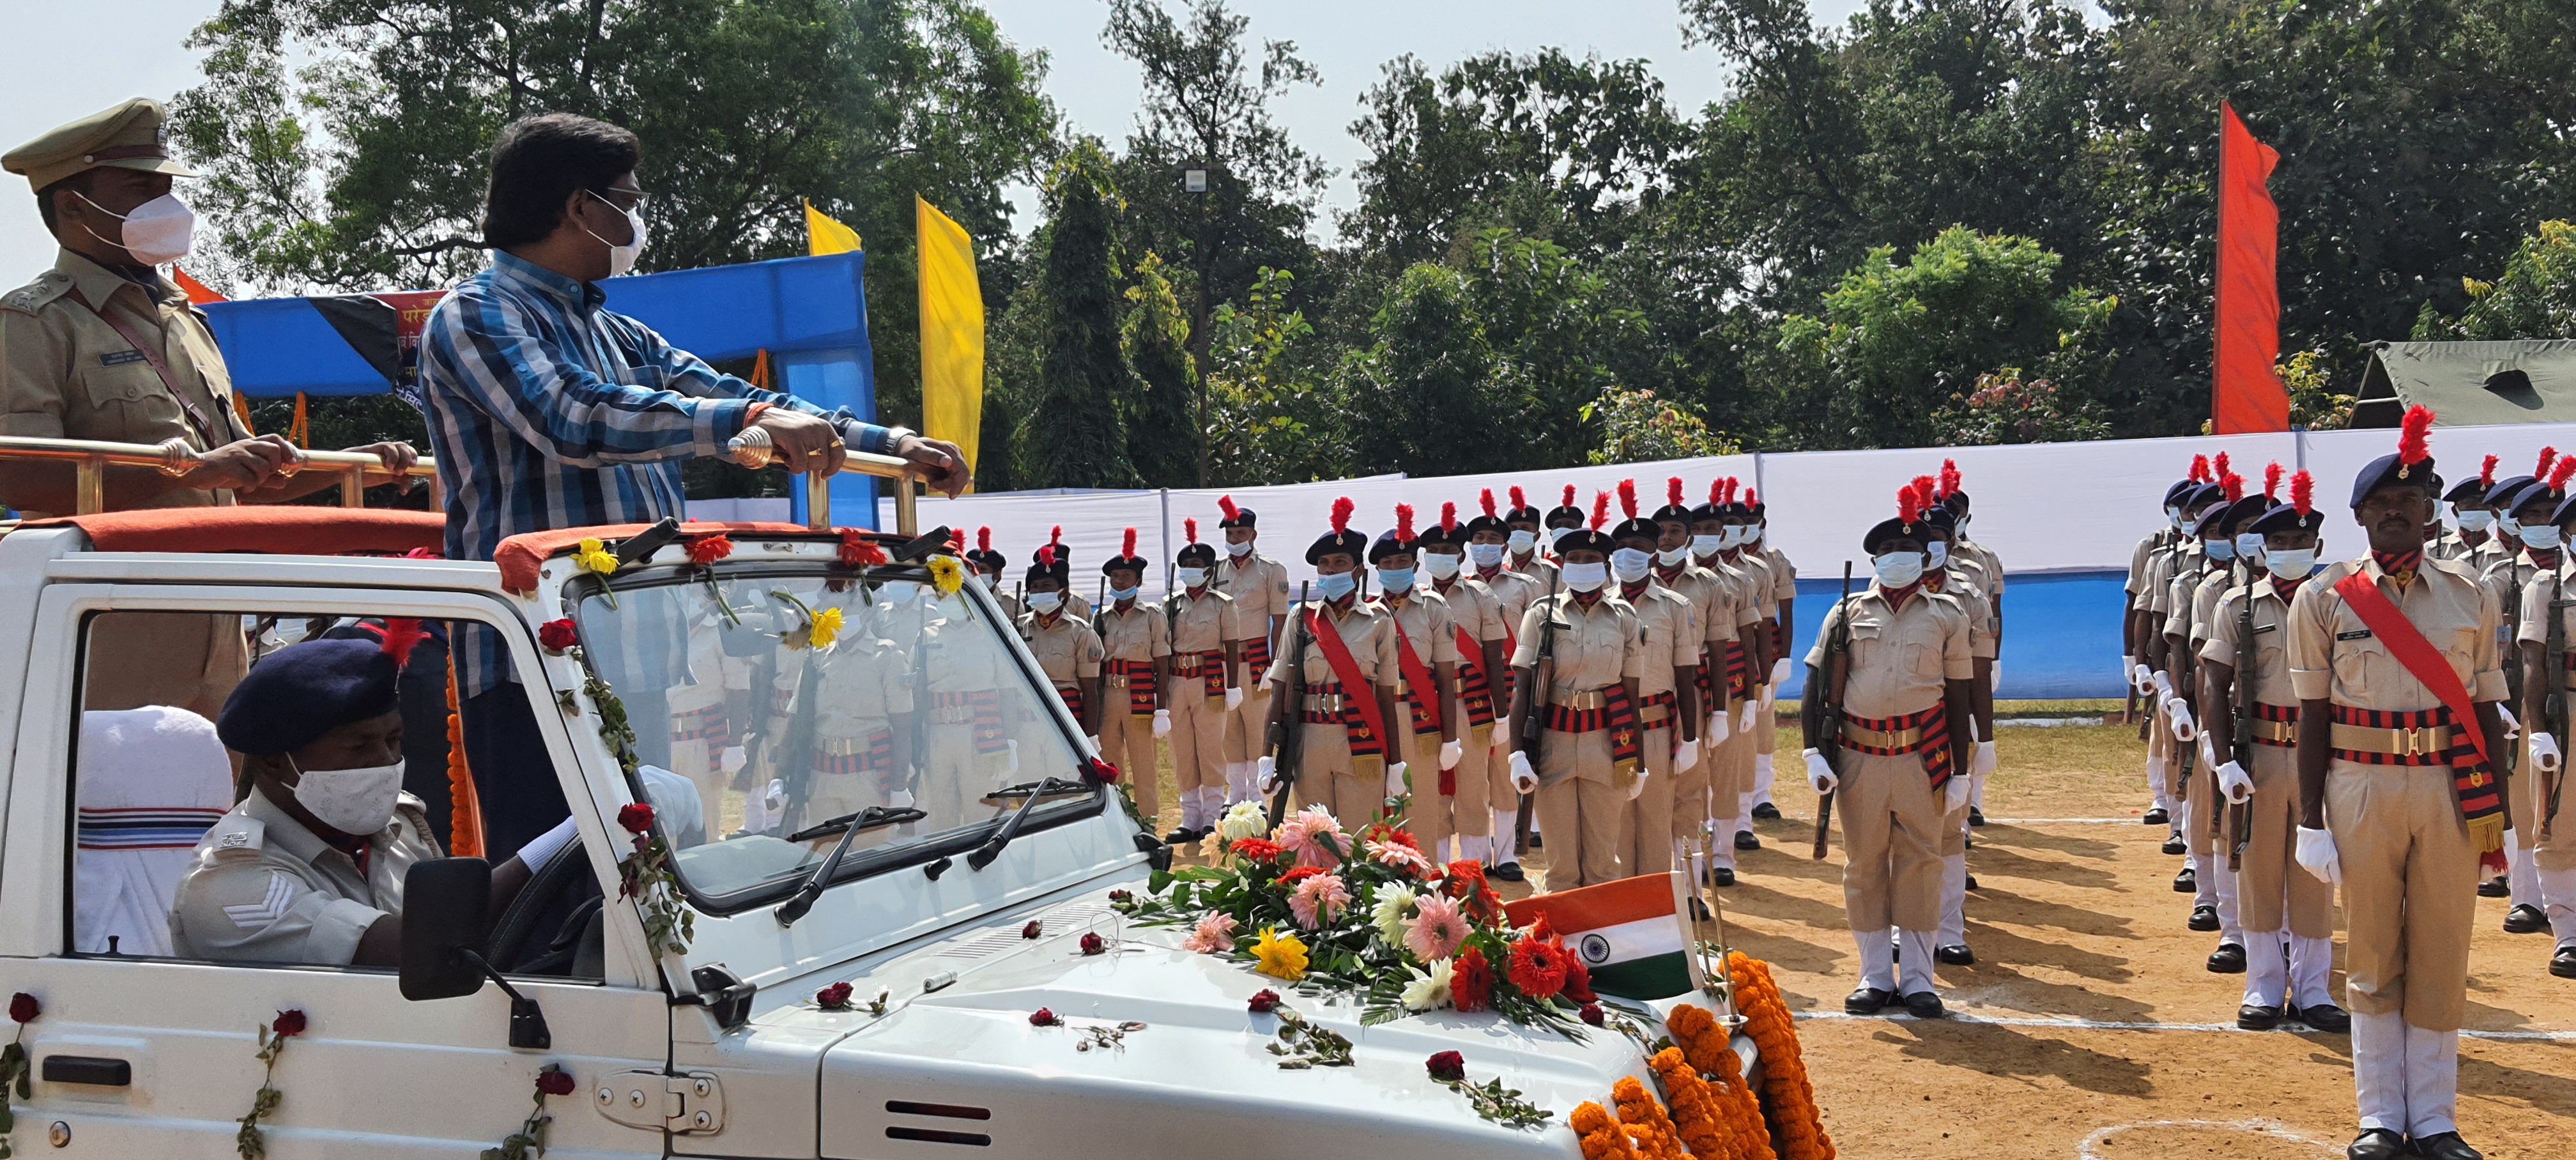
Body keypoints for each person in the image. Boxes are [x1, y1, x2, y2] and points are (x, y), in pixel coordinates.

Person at [418, 112, 967, 860]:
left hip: (635, 653)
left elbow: (739, 397)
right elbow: (573, 417)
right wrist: (749, 420)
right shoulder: (476, 315)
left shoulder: (620, 333)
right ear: (581, 207)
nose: (638, 219)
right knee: (560, 907)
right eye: (630, 200)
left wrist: (897, 444)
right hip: (533, 662)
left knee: (648, 892)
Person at [3, 98, 418, 722]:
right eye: (141, 188)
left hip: (218, 627)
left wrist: (344, 465)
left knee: (213, 814)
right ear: (72, 204)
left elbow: (239, 482)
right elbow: (20, 474)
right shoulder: (34, 321)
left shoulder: (186, 321)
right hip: (107, 630)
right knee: (108, 813)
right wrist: (189, 471)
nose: (165, 205)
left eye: (167, 188)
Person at [2287, 408, 2501, 1160]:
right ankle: (2380, 1117)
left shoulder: (2473, 594)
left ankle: (2436, 1120)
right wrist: (2311, 819)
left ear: (2428, 511)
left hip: (2448, 789)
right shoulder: (2324, 599)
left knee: (2443, 948)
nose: (2395, 514)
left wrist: (2495, 817)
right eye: (2381, 505)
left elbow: (2486, 711)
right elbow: (2313, 715)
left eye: (2409, 503)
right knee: (2374, 950)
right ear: (2359, 516)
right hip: (2360, 786)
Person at [171, 623, 575, 966]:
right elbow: (418, 947)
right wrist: (568, 839)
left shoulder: (398, 828)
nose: (386, 762)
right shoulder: (232, 883)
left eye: (394, 739)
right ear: (276, 762)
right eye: (359, 746)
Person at [1804, 481, 1975, 1021]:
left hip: (1924, 755)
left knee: (1922, 861)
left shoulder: (1948, 615)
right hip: (1859, 757)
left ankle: (1921, 978)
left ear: (1925, 559)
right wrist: (1813, 753)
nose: (1899, 561)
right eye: (1889, 553)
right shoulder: (1846, 613)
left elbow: (1960, 696)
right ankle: (1875, 975)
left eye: (1909, 553)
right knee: (1865, 864)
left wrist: (1963, 769)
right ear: (1875, 559)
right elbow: (1816, 690)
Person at [2200, 470, 2347, 1031]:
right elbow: (2212, 681)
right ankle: (2262, 985)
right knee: (2259, 871)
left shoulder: (2336, 603)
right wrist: (2224, 758)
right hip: (2260, 750)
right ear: (2262, 548)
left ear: (2319, 549)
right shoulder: (2238, 605)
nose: (2290, 552)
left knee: (2316, 872)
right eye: (2279, 543)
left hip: (2322, 755)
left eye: (2301, 543)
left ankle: (2313, 990)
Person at [1506, 493, 1645, 891]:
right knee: (1562, 865)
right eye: (1575, 560)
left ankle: (1604, 947)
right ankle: (1564, 951)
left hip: (1606, 745)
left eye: (1591, 560)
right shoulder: (1540, 614)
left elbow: (1630, 693)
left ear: (1606, 567)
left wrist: (1639, 759)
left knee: (1603, 862)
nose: (1583, 567)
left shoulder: (1625, 619)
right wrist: (1517, 753)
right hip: (1554, 745)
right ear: (1562, 565)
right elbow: (1523, 687)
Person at [1257, 498, 1404, 827]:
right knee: (1315, 840)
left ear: (1358, 570)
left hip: (1360, 740)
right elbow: (1278, 691)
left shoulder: (1379, 620)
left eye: (1340, 562)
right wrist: (1267, 755)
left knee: (1359, 837)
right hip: (1309, 740)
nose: (1331, 570)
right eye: (1324, 564)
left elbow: (1385, 698)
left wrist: (1396, 762)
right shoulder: (1301, 619)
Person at [2480, 459, 2571, 927]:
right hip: (2515, 696)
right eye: (2531, 517)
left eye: (2548, 516)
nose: (2541, 525)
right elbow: (2483, 642)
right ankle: (2526, 896)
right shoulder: (2502, 575)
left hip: (2557, 694)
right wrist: (2493, 697)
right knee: (2521, 798)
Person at [1609, 482, 1701, 883]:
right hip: (1605, 728)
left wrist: (1692, 739)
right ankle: (1616, 929)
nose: (1632, 553)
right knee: (1611, 830)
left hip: (1657, 728)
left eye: (1642, 546)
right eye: (1624, 545)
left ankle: (1653, 923)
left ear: (1654, 554)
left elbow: (1686, 677)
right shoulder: (1595, 608)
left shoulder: (1676, 608)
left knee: (1654, 828)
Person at [1919, 502, 1997, 966]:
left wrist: (1982, 739)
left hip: (1947, 730)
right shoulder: (1877, 593)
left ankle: (1949, 930)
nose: (1926, 547)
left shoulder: (1969, 595)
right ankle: (1900, 928)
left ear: (1950, 544)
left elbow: (1979, 674)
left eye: (1935, 539)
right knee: (1898, 838)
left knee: (1949, 835)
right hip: (1898, 731)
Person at [1368, 505, 1462, 850]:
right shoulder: (1366, 613)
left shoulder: (1435, 609)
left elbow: (1446, 677)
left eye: (1402, 563)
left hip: (1420, 717)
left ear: (1415, 566)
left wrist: (1450, 738)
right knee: (1378, 807)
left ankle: (1427, 884)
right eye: (1388, 564)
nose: (1395, 569)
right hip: (1377, 716)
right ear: (1377, 569)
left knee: (1424, 806)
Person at [1423, 503, 1510, 867]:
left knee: (1474, 787)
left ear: (1461, 555)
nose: (1442, 556)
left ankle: (1473, 867)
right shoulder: (1413, 601)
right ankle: (1439, 867)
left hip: (1473, 705)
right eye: (1435, 551)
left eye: (1448, 551)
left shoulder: (1482, 596)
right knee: (1433, 790)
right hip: (1427, 706)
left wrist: (1502, 716)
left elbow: (1495, 659)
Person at [1464, 490, 1544, 881]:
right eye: (1478, 540)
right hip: (1472, 693)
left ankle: (1509, 853)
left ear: (1505, 544)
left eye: (1493, 540)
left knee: (1507, 774)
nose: (1486, 546)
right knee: (1473, 776)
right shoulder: (1456, 590)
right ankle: (1477, 856)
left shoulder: (1526, 586)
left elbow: (1542, 641)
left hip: (1514, 689)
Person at [2517, 485, 2576, 981]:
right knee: (2558, 825)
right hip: (2569, 711)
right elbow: (2533, 662)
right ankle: (2568, 936)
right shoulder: (2547, 587)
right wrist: (2540, 731)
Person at [1161, 520, 1244, 845]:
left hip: (1208, 681)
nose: (1189, 571)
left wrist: (1233, 686)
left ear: (1209, 570)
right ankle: (1189, 817)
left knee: (1210, 749)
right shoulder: (1170, 606)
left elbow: (1232, 647)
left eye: (1195, 566)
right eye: (1185, 566)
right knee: (1182, 750)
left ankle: (1211, 816)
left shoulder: (1223, 604)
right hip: (1177, 682)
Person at [1213, 496, 1290, 809]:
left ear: (1253, 535)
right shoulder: (1215, 571)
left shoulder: (1271, 570)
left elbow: (1281, 621)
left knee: (1258, 725)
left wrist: (1275, 665)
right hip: (1223, 662)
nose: (1235, 540)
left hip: (1258, 658)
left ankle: (1259, 796)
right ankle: (1236, 796)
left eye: (1241, 534)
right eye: (1230, 535)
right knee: (1229, 729)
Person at [1094, 529, 1171, 828]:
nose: (1120, 582)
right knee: (1111, 761)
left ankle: (1148, 820)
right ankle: (1117, 819)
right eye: (1115, 577)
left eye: (1126, 577)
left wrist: (1161, 708)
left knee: (1144, 762)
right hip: (1109, 695)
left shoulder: (1152, 615)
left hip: (1138, 694)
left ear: (1138, 581)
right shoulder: (1101, 617)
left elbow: (1162, 663)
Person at [1019, 547, 1105, 749]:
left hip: (1067, 719)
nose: (1040, 592)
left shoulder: (1082, 632)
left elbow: (1090, 690)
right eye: (1035, 587)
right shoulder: (1017, 628)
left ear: (1063, 591)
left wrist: (1090, 737)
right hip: (1027, 719)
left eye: (1047, 586)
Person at [1747, 491, 1798, 821]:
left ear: (1761, 524)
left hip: (1767, 651)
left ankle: (1761, 795)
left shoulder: (1775, 560)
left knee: (1764, 723)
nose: (1744, 527)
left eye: (1752, 521)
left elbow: (1787, 611)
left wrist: (1784, 659)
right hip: (1734, 650)